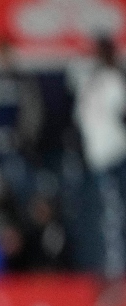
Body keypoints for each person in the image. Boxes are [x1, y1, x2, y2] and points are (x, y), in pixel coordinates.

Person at [73, 36, 126, 276]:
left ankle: (115, 267)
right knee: (110, 216)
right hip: (106, 154)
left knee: (112, 215)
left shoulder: (102, 79)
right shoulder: (101, 80)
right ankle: (113, 268)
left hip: (111, 154)